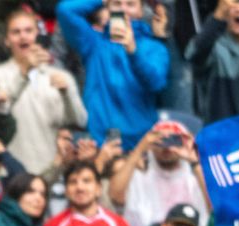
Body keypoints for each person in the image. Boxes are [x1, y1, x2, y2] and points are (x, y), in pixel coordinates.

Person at [0, 9, 87, 175]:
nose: (23, 36)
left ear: (37, 35)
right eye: (16, 32)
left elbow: (81, 121)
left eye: (28, 31)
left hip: (51, 172)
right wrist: (25, 72)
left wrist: (67, 95)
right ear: (6, 40)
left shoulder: (62, 76)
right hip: (9, 174)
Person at [57, 0, 170, 148]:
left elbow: (156, 83)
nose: (123, 9)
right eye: (117, 3)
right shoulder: (93, 43)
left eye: (130, 4)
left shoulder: (154, 47)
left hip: (140, 141)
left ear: (141, 12)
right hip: (100, 140)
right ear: (107, 9)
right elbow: (65, 10)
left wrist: (133, 51)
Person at [108, 120, 209, 226]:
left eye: (174, 139)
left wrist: (194, 160)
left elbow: (215, 208)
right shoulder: (139, 180)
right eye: (160, 140)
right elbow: (115, 196)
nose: (166, 146)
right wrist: (140, 149)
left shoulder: (195, 181)